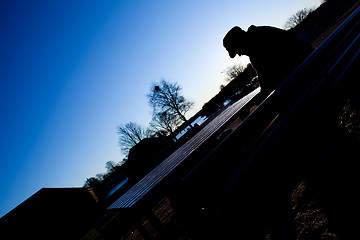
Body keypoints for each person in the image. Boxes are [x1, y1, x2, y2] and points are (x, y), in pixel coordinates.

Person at [223, 25, 314, 96]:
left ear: (240, 41)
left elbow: (268, 80)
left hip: (310, 75)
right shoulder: (259, 35)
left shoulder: (259, 45)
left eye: (237, 50)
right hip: (312, 64)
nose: (239, 54)